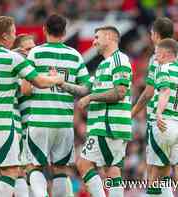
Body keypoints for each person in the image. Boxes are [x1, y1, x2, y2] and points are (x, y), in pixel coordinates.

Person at [0, 16, 63, 197]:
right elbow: (40, 82)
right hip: (2, 124)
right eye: (13, 33)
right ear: (5, 36)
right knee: (11, 171)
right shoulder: (13, 58)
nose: (14, 36)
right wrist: (57, 78)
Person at [60, 25, 133, 197]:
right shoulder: (103, 66)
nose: (94, 43)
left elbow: (120, 92)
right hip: (110, 126)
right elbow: (85, 90)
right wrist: (61, 83)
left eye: (97, 38)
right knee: (112, 171)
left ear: (109, 37)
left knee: (84, 164)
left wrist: (91, 98)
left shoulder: (119, 59)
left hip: (108, 125)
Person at [24, 14, 91, 197]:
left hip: (39, 121)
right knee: (60, 169)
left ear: (44, 29)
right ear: (65, 31)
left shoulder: (35, 53)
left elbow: (25, 90)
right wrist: (63, 85)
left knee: (34, 166)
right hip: (64, 122)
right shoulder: (75, 56)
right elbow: (86, 89)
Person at [131, 17, 178, 196]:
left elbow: (150, 92)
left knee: (154, 172)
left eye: (151, 33)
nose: (150, 36)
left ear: (156, 35)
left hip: (161, 121)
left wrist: (132, 113)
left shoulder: (157, 58)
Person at [149, 38, 178, 197]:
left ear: (163, 53)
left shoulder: (164, 68)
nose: (155, 58)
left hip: (165, 124)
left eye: (156, 54)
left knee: (155, 175)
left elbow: (165, 91)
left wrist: (159, 113)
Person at [12, 33, 36, 197]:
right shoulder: (16, 73)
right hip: (24, 127)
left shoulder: (35, 68)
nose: (31, 53)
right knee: (23, 170)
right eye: (28, 49)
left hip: (38, 126)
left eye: (34, 49)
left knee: (34, 172)